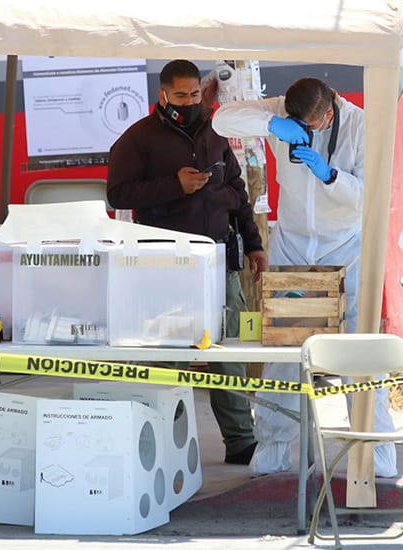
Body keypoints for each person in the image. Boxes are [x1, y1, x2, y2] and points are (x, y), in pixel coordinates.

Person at [212, 77, 397, 477]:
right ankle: (274, 449)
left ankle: (376, 449)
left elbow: (372, 196)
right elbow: (222, 121)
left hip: (346, 243)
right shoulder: (280, 111)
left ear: (329, 113)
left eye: (311, 128)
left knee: (360, 350)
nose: (303, 136)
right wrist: (271, 125)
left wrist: (330, 175)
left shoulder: (361, 125)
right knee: (284, 348)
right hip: (293, 242)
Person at [107, 59, 268, 465]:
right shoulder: (138, 138)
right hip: (165, 264)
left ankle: (241, 441)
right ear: (162, 94)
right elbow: (119, 194)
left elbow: (237, 189)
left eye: (195, 94)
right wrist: (173, 186)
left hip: (218, 258)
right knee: (170, 358)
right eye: (181, 95)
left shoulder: (215, 132)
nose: (190, 101)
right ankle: (164, 442)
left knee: (227, 355)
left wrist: (253, 244)